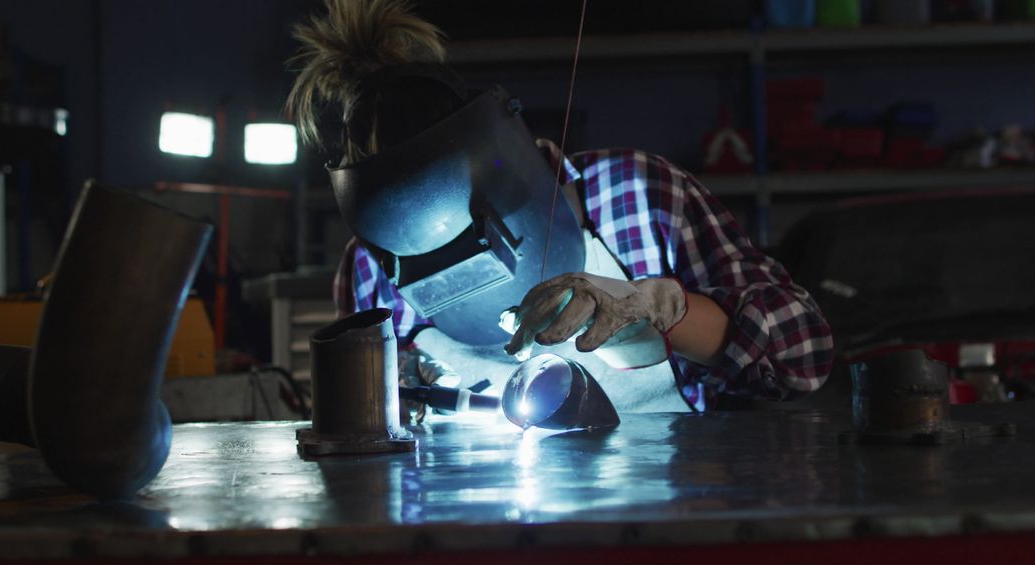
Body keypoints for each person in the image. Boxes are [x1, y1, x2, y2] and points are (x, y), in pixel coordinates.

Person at [287, 0, 834, 410]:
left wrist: (665, 311)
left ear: (504, 152)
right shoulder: (371, 269)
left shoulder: (639, 194)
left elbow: (805, 352)